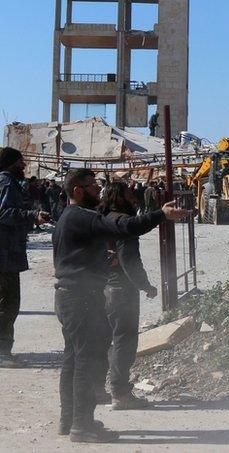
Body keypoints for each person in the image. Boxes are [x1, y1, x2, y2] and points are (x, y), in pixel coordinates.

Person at [53, 168, 187, 443]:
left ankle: (69, 421)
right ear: (77, 190)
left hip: (70, 296)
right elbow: (126, 227)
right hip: (81, 300)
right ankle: (82, 427)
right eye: (91, 186)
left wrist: (101, 261)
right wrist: (161, 214)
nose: (97, 190)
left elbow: (73, 258)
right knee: (87, 363)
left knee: (73, 359)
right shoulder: (83, 217)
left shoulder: (67, 218)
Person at [96, 182, 157, 410]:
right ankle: (120, 394)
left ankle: (97, 388)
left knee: (106, 340)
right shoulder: (123, 223)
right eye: (129, 193)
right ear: (119, 196)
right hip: (121, 291)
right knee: (125, 342)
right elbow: (130, 261)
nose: (133, 197)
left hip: (103, 289)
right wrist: (146, 286)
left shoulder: (102, 217)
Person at [0, 148, 50, 367]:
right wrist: (32, 216)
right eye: (21, 161)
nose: (24, 165)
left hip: (7, 251)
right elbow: (4, 213)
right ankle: (2, 353)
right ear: (11, 163)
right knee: (8, 303)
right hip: (4, 253)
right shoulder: (6, 181)